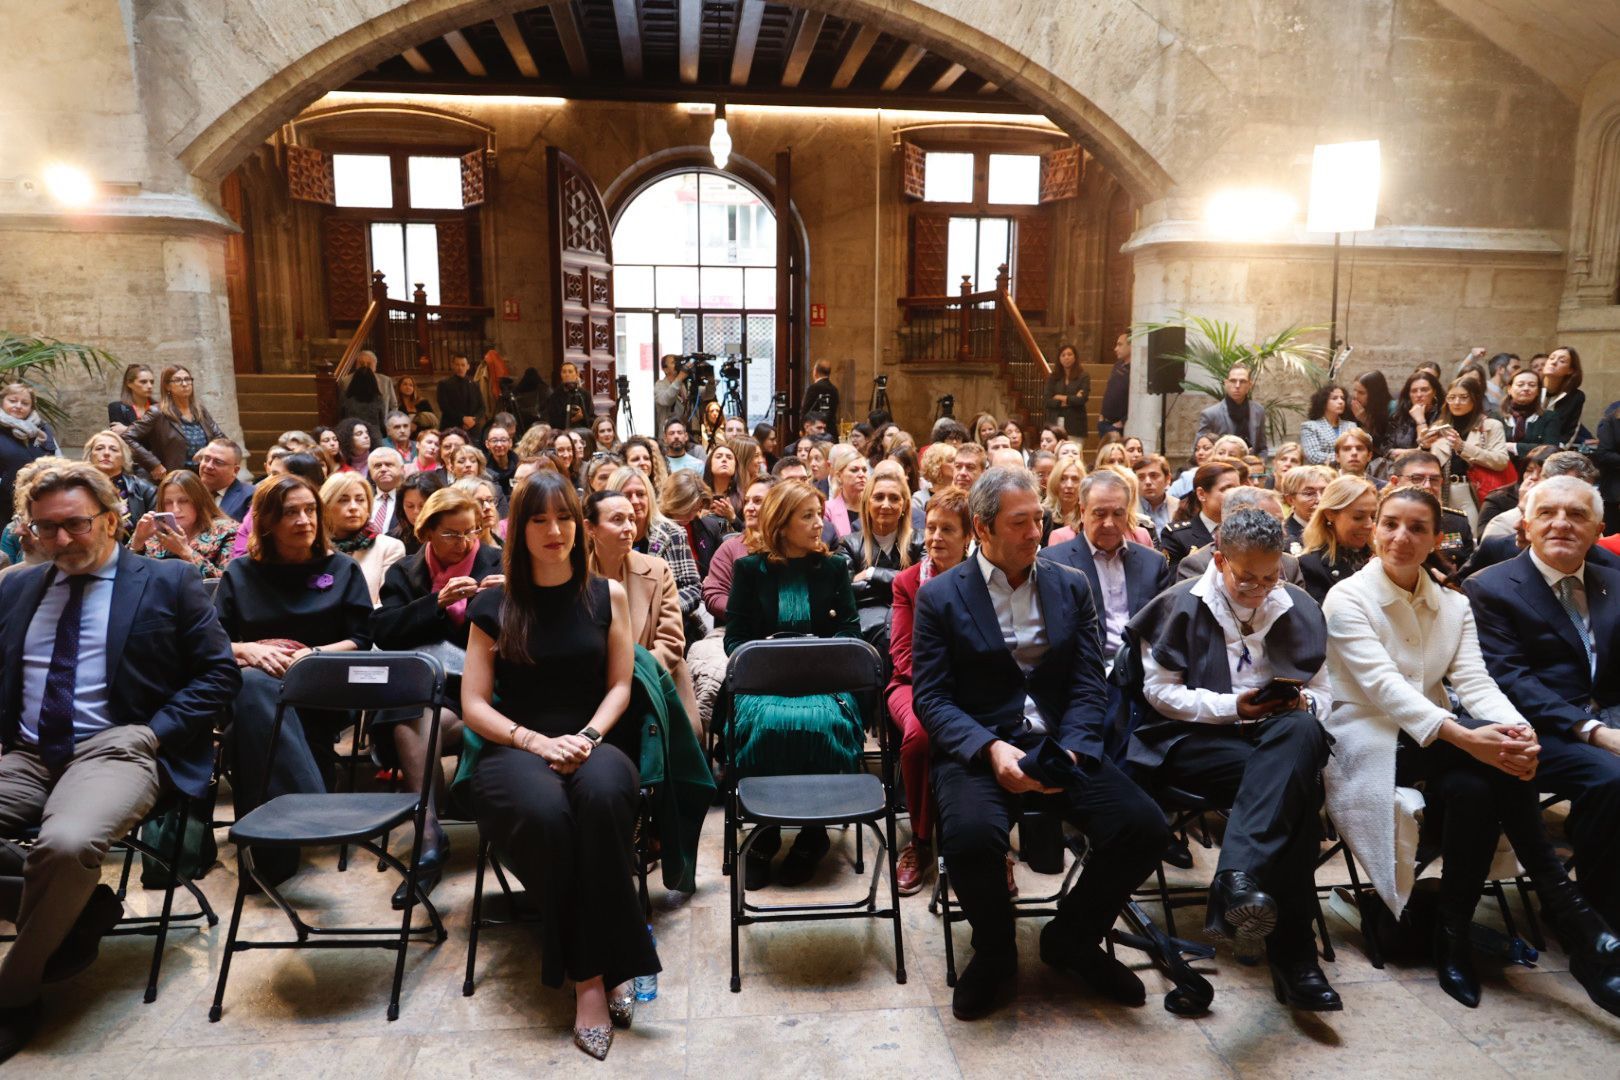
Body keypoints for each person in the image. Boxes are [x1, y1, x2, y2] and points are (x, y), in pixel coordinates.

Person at [1324, 485, 1620, 1015]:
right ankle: (1573, 914)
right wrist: (1471, 737)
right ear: (1373, 531)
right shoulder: (1346, 598)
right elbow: (1384, 688)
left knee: (1478, 785)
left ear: (1438, 538)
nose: (1402, 537)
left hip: (1437, 741)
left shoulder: (1454, 604)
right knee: (1495, 765)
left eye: (1418, 528)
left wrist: (1516, 731)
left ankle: (1452, 939)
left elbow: (1477, 683)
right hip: (1367, 737)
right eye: (1390, 524)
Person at [0, 461, 239, 1058]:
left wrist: (154, 735)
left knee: (66, 845)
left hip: (118, 747)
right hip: (26, 752)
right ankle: (79, 910)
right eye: (45, 528)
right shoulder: (15, 587)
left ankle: (13, 995)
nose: (60, 540)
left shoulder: (169, 583)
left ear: (110, 519)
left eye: (75, 525)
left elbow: (218, 674)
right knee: (60, 865)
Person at [913, 467, 1169, 1020]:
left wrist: (1074, 749)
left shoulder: (1068, 584)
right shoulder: (939, 596)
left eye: (1040, 519)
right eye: (1020, 522)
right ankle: (997, 951)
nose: (1036, 533)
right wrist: (989, 750)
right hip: (981, 747)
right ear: (982, 529)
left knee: (1144, 828)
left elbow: (1085, 682)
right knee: (971, 839)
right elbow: (931, 699)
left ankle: (1072, 938)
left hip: (1059, 742)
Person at [459, 471, 652, 1058]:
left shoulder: (606, 595)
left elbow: (620, 685)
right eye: (539, 520)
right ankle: (594, 976)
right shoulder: (493, 603)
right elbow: (471, 703)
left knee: (601, 800)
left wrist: (587, 736)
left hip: (592, 738)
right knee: (548, 817)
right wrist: (538, 744)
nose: (554, 530)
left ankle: (597, 967)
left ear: (579, 524)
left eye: (564, 517)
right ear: (519, 530)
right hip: (517, 746)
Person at [1122, 509, 1339, 1009]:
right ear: (1219, 560)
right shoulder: (1179, 604)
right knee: (1295, 789)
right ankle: (1295, 958)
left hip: (1276, 736)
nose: (1260, 589)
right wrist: (1230, 708)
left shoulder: (1300, 606)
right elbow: (1159, 693)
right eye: (1247, 578)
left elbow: (1325, 694)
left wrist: (1299, 702)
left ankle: (1236, 880)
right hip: (1194, 739)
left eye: (1271, 577)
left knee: (1301, 730)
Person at [1465, 475, 1620, 933]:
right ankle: (1592, 921)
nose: (1561, 524)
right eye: (1548, 514)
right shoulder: (1491, 587)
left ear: (1598, 528)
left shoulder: (1615, 582)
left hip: (1610, 718)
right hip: (1538, 731)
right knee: (1612, 778)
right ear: (1525, 525)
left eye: (1577, 515)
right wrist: (1593, 730)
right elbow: (1511, 679)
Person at [214, 475, 374, 886]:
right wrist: (246, 650)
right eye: (290, 512)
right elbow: (212, 640)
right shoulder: (240, 573)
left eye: (310, 511)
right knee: (251, 693)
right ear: (267, 522)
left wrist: (311, 656)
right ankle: (308, 804)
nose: (304, 520)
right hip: (256, 687)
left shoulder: (341, 567)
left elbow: (361, 639)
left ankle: (267, 853)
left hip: (324, 685)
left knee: (244, 727)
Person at [724, 480, 864, 889]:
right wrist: (772, 656)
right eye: (807, 516)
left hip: (824, 681)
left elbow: (850, 630)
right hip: (766, 683)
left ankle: (812, 832)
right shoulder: (750, 570)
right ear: (781, 523)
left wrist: (818, 655)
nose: (818, 523)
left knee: (822, 724)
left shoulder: (835, 566)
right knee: (765, 724)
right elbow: (735, 639)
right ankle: (766, 825)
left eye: (819, 514)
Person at [371, 487, 500, 903]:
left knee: (414, 714)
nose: (464, 542)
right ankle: (429, 836)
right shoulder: (405, 573)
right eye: (452, 534)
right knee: (411, 711)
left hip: (482, 690)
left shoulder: (495, 563)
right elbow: (384, 632)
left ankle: (428, 840)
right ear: (426, 531)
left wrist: (504, 599)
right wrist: (437, 603)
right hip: (429, 691)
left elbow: (524, 635)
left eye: (472, 532)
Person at [886, 486, 972, 896]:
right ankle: (920, 842)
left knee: (1000, 727)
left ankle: (988, 846)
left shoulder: (985, 581)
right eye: (931, 528)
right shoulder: (907, 582)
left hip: (971, 687)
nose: (935, 537)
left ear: (969, 536)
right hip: (913, 684)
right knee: (921, 737)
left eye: (947, 530)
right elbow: (902, 653)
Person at [1040, 471, 1170, 742]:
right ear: (1083, 511)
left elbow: (1162, 631)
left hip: (1140, 676)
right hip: (1083, 677)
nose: (1110, 523)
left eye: (1118, 514)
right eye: (1099, 514)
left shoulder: (1152, 563)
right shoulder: (1053, 562)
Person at [583, 490, 701, 740]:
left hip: (654, 683)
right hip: (593, 692)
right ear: (590, 528)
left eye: (631, 519)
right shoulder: (575, 578)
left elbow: (671, 643)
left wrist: (626, 680)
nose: (628, 528)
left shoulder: (657, 570)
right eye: (617, 520)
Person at [603, 466, 701, 625]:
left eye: (641, 494)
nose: (635, 501)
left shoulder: (672, 533)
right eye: (626, 495)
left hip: (666, 623)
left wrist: (657, 613)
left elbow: (692, 589)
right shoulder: (601, 536)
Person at [1423, 378, 1510, 528]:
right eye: (1452, 397)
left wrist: (1462, 447)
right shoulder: (1439, 426)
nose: (1456, 402)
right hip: (1441, 490)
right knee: (1443, 541)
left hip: (1472, 490)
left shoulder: (1490, 426)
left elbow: (1501, 460)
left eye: (1463, 397)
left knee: (1471, 538)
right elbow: (1423, 463)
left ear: (1475, 399)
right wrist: (1424, 447)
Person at [121, 365, 226, 479]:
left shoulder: (199, 410)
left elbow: (221, 438)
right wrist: (153, 464)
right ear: (167, 386)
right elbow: (127, 437)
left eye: (187, 379)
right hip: (176, 478)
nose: (185, 384)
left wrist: (208, 449)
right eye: (178, 380)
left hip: (204, 475)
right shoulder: (157, 412)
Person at [129, 469, 238, 578]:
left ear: (199, 501)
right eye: (168, 503)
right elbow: (124, 576)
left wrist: (184, 551)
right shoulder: (151, 532)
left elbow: (226, 583)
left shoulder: (227, 531)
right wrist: (137, 543)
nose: (175, 510)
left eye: (184, 501)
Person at [320, 471, 407, 605]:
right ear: (326, 506)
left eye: (360, 500)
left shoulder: (389, 547)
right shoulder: (314, 547)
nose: (354, 507)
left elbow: (385, 606)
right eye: (343, 500)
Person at [1389, 451, 1476, 575]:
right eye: (1417, 478)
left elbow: (1466, 577)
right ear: (1395, 482)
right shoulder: (1381, 523)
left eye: (1434, 479)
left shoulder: (1457, 523)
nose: (1427, 485)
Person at [1296, 475, 1377, 605]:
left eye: (1373, 516)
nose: (1368, 525)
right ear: (1330, 514)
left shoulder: (1381, 558)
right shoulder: (1310, 566)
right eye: (1358, 517)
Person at [1159, 460, 1240, 575]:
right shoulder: (1178, 535)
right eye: (1225, 489)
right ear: (1201, 494)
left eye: (1237, 489)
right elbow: (1174, 583)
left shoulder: (1243, 531)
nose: (1234, 495)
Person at [0, 385, 59, 526]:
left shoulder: (42, 429)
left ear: (32, 407)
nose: (18, 406)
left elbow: (58, 459)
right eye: (13, 401)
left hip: (42, 501)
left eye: (25, 403)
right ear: (2, 402)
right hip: (3, 504)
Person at [660, 469, 730, 581]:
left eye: (695, 509)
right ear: (672, 503)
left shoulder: (710, 527)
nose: (690, 516)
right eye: (685, 510)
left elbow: (722, 569)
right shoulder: (656, 531)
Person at [84, 429, 155, 523]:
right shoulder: (77, 488)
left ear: (124, 457)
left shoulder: (145, 490)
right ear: (90, 455)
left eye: (113, 449)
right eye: (99, 448)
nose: (106, 453)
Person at [1195, 364, 1268, 456]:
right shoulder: (1210, 414)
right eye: (1233, 381)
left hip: (1251, 467)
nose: (1237, 385)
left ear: (1249, 385)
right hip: (1222, 467)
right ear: (1226, 383)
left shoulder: (1258, 411)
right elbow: (1199, 450)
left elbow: (1262, 448)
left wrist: (1260, 463)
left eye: (1242, 381)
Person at [1498, 369, 1562, 464]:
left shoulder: (1549, 417)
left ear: (1538, 392)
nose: (1526, 388)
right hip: (1500, 470)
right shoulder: (1495, 416)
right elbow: (1489, 448)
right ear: (1509, 389)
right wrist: (1534, 447)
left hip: (1535, 471)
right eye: (1520, 385)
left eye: (1532, 385)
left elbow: (1551, 449)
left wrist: (1513, 447)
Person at [337, 350, 398, 435]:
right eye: (361, 364)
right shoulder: (345, 381)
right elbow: (342, 408)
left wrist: (390, 425)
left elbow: (393, 405)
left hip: (380, 429)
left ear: (375, 366)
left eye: (369, 364)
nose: (365, 366)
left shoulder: (386, 381)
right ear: (356, 365)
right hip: (353, 429)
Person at [1299, 384, 1358, 465]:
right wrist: (1346, 455)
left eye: (1342, 398)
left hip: (1349, 473)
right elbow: (1314, 456)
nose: (1340, 402)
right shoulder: (1310, 426)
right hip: (1322, 474)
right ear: (1323, 402)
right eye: (1334, 398)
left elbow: (1362, 446)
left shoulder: (1351, 425)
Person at [390, 470, 445, 557]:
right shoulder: (392, 540)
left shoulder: (448, 536)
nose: (416, 511)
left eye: (422, 506)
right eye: (410, 506)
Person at [1278, 464, 1333, 551]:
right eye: (1309, 493)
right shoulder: (1282, 537)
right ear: (1290, 499)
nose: (1320, 499)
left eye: (1325, 492)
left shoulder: (1337, 530)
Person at [1388, 371, 1445, 453]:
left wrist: (1420, 420)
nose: (1419, 395)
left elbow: (1431, 452)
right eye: (1414, 391)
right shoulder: (1399, 414)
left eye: (1424, 390)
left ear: (1434, 392)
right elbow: (1386, 448)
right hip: (1398, 463)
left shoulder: (1443, 415)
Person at [196, 438, 253, 521]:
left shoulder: (250, 496)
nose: (209, 466)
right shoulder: (189, 492)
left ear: (235, 470)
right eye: (207, 459)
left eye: (218, 462)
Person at [1539, 345, 1585, 444]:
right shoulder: (1531, 387)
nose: (1554, 362)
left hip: (1554, 451)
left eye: (1562, 361)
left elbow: (1570, 432)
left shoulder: (1576, 397)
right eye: (1551, 358)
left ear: (1570, 370)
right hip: (1524, 449)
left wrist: (1555, 451)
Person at [822, 445, 869, 542]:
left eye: (864, 470)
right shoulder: (827, 509)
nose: (861, 475)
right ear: (839, 476)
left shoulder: (873, 506)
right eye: (854, 470)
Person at [1045, 342, 1090, 437]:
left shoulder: (1083, 376)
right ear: (1059, 358)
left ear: (1075, 357)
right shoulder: (1053, 377)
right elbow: (1047, 400)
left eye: (1069, 354)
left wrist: (1058, 396)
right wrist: (1071, 400)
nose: (1066, 357)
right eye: (1063, 355)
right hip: (1055, 421)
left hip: (1075, 423)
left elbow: (1081, 400)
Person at [1041, 456, 1085, 546]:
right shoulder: (1043, 515)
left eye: (1075, 479)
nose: (1069, 485)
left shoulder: (1087, 516)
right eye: (1063, 479)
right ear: (1055, 482)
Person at [1350, 370, 1395, 458]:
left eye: (1361, 392)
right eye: (1354, 390)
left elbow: (1386, 446)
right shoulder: (1353, 404)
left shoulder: (1392, 408)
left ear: (1375, 394)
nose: (1355, 395)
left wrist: (1365, 420)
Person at [438, 353, 485, 432]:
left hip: (473, 429)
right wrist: (462, 419)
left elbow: (482, 407)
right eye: (457, 365)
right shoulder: (444, 384)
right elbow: (444, 407)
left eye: (463, 365)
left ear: (468, 366)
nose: (460, 368)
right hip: (451, 428)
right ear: (452, 365)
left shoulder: (474, 385)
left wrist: (474, 421)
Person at [1099, 332, 1131, 438]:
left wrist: (1122, 422)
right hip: (1104, 422)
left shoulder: (1135, 370)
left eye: (1120, 345)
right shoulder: (1117, 365)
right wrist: (1101, 416)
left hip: (1117, 425)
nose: (1115, 349)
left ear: (1131, 346)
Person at [106, 363, 155, 432]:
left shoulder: (160, 407)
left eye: (152, 382)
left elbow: (163, 437)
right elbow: (121, 437)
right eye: (143, 382)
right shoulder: (117, 408)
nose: (150, 386)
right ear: (129, 383)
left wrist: (127, 429)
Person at [1167, 434, 1216, 502]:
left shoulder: (1226, 476)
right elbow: (1169, 499)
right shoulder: (1187, 476)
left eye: (1206, 448)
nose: (1200, 453)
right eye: (1197, 449)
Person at [653, 354, 690, 438]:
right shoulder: (660, 384)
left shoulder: (684, 385)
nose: (677, 365)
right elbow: (665, 400)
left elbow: (705, 395)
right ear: (665, 369)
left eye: (678, 362)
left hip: (683, 434)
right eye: (673, 362)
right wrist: (679, 379)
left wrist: (711, 383)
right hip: (667, 436)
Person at [703, 440, 741, 518]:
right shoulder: (699, 497)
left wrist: (733, 518)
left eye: (729, 457)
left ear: (735, 466)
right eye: (719, 457)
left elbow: (750, 529)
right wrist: (700, 520)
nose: (724, 460)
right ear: (710, 464)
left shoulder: (744, 497)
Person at [801, 359, 840, 430]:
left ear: (815, 372)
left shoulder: (813, 388)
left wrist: (802, 429)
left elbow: (805, 410)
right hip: (831, 430)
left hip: (815, 430)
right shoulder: (834, 389)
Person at [482, 423, 516, 495]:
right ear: (487, 444)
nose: (499, 445)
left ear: (510, 443)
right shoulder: (484, 470)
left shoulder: (519, 465)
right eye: (494, 441)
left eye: (503, 440)